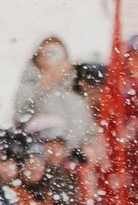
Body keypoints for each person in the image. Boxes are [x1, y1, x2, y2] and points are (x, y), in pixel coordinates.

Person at [13, 36, 104, 165]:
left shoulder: (74, 94)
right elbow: (21, 115)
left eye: (57, 53)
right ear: (37, 58)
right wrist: (45, 84)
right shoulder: (29, 87)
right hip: (39, 165)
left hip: (71, 167)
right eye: (48, 53)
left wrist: (88, 148)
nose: (53, 59)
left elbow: (89, 131)